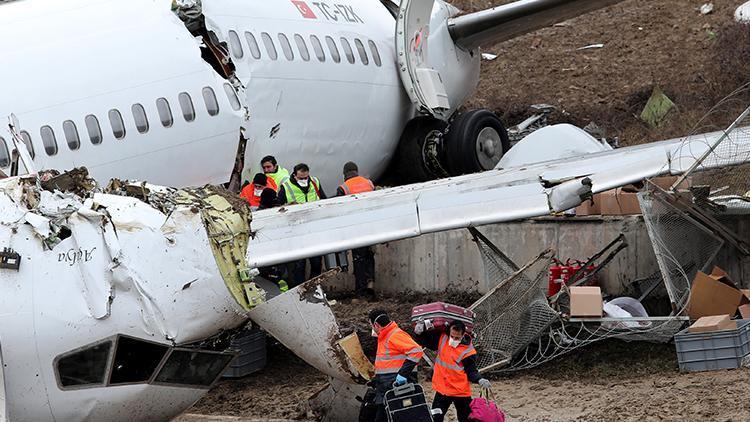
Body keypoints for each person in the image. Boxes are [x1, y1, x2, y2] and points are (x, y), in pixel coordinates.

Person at [414, 320, 491, 422]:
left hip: (460, 391)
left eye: (457, 338)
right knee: (435, 418)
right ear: (449, 332)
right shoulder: (443, 338)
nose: (453, 339)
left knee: (465, 419)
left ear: (463, 334)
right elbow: (426, 342)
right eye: (452, 336)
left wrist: (480, 380)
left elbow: (471, 371)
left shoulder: (468, 351)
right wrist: (418, 333)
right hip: (443, 389)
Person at [370, 309, 424, 422]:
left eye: (371, 325)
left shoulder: (394, 335)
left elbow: (416, 351)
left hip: (396, 385)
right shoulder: (385, 336)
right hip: (386, 385)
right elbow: (388, 362)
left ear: (376, 324)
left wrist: (403, 374)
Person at [278, 163, 327, 286]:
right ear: (294, 176)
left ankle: (314, 287)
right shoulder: (286, 187)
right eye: (301, 178)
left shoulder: (315, 182)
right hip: (296, 231)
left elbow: (324, 200)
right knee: (299, 265)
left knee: (316, 263)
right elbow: (278, 210)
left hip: (314, 229)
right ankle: (300, 291)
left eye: (306, 178)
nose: (305, 180)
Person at [335, 162, 376, 299]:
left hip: (355, 227)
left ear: (345, 174)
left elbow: (339, 209)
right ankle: (371, 285)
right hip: (370, 225)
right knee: (369, 256)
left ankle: (361, 291)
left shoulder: (344, 187)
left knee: (359, 259)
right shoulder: (369, 183)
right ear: (357, 171)